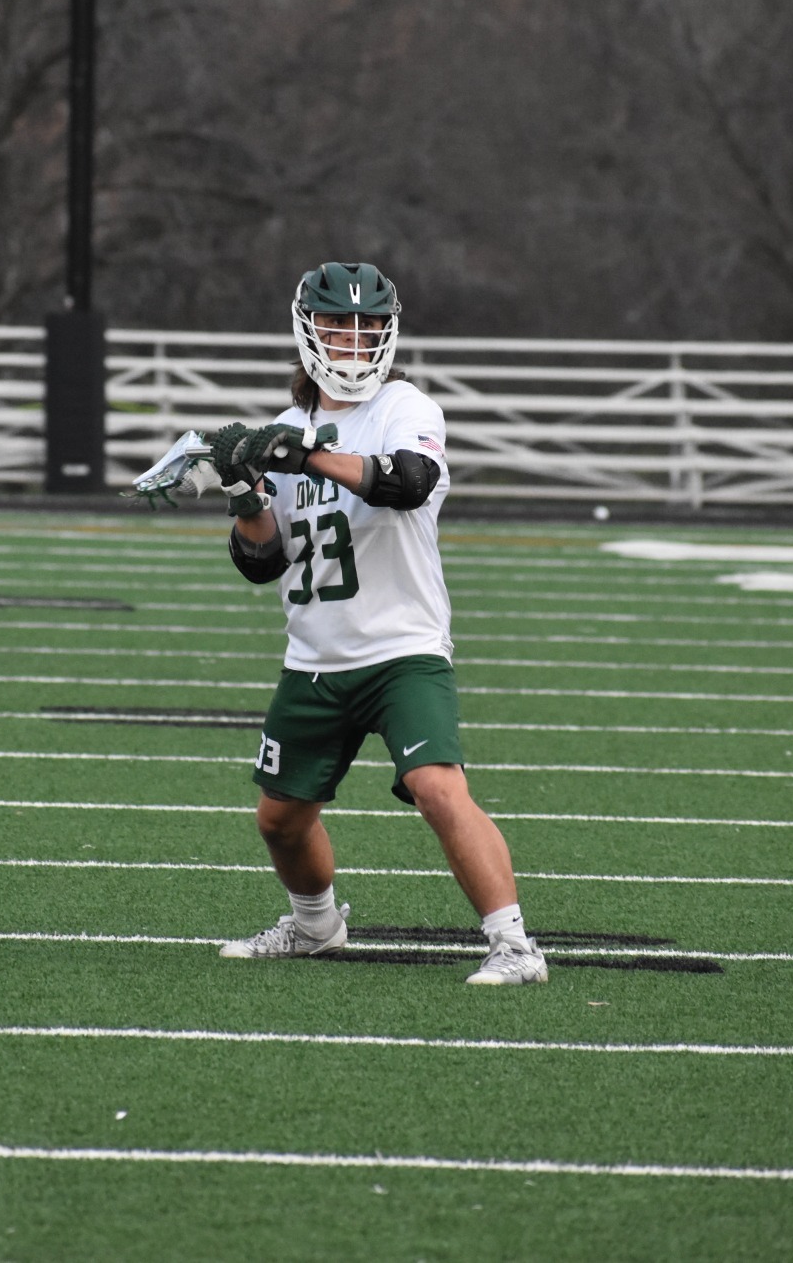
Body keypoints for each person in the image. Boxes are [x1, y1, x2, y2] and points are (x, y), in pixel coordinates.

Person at [206, 261, 547, 986]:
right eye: (338, 325)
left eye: (367, 327)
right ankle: (314, 925)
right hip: (316, 654)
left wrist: (310, 454)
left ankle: (514, 945)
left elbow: (406, 481)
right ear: (309, 331)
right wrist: (245, 493)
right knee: (279, 819)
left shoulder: (405, 406)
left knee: (436, 784)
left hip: (403, 649)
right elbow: (263, 561)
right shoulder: (285, 429)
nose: (353, 341)